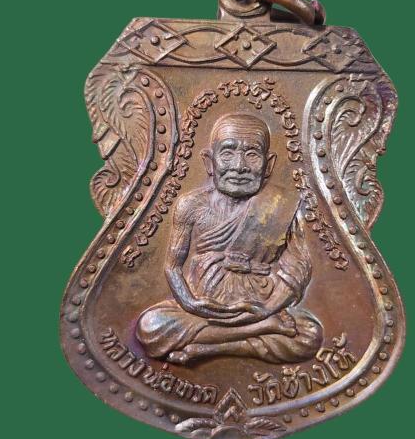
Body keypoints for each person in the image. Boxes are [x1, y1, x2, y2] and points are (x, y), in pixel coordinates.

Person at [136, 113, 323, 364]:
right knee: (150, 326)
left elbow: (296, 269)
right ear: (209, 162)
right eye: (227, 153)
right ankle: (258, 332)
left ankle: (209, 347)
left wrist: (267, 310)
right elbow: (172, 265)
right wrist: (189, 303)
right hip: (205, 308)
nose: (239, 166)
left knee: (309, 334)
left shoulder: (282, 206)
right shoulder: (190, 205)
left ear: (268, 165)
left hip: (261, 303)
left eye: (252, 154)